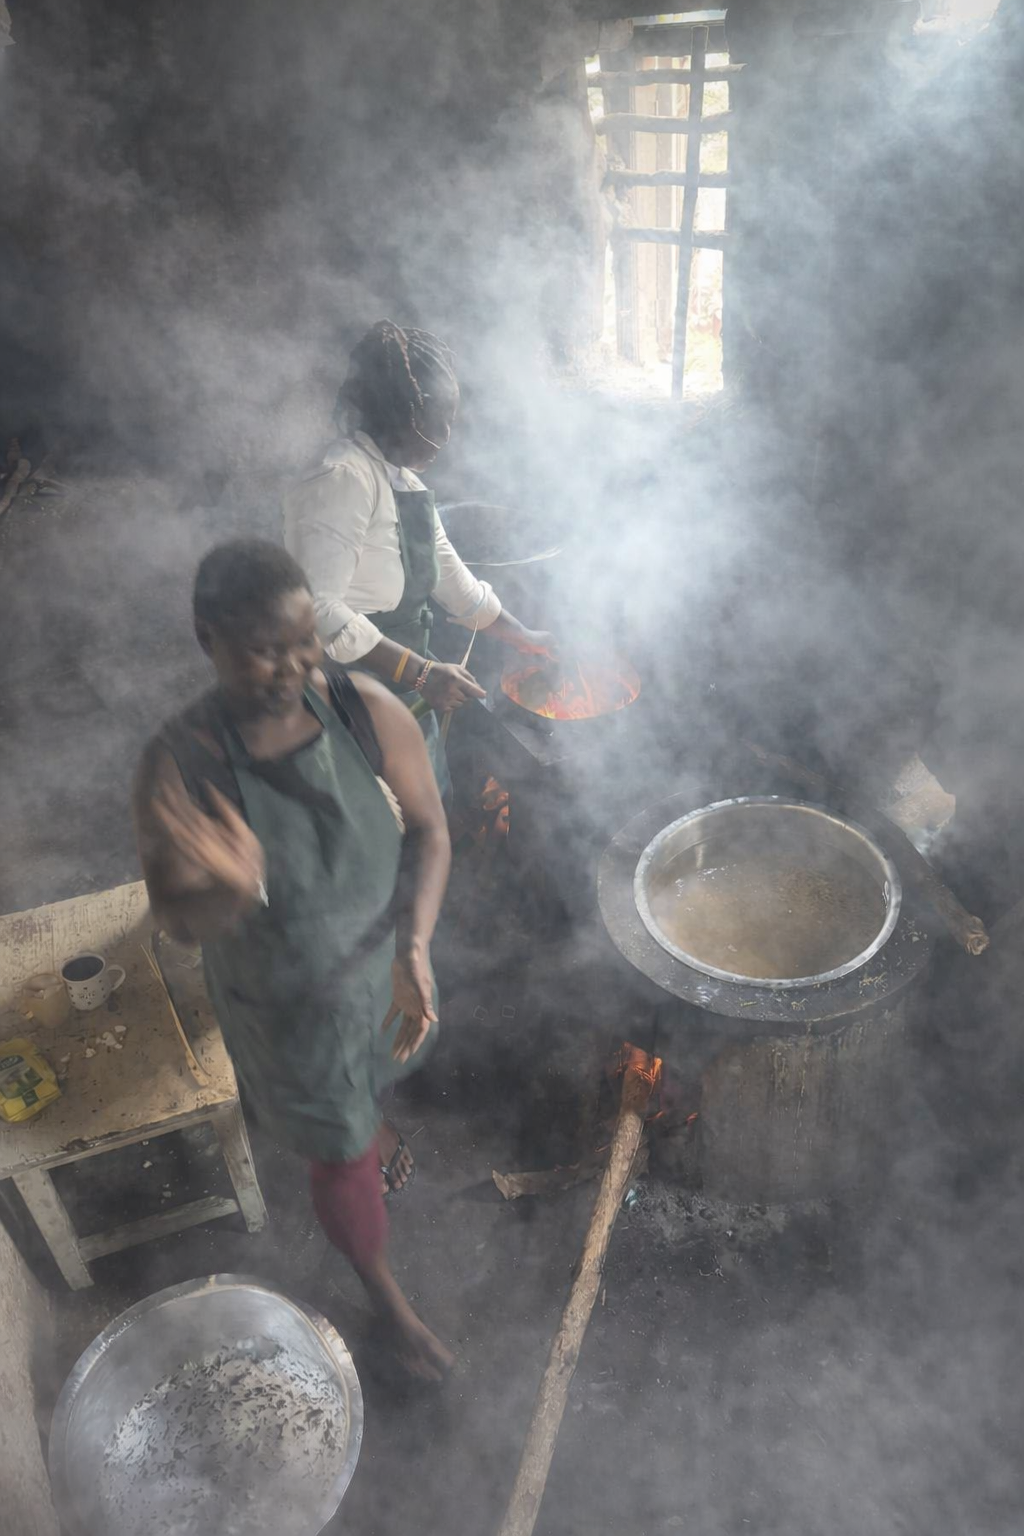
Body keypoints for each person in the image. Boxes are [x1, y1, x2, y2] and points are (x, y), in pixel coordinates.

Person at [133, 538, 454, 1380]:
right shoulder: (183, 765)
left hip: (380, 970)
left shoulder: (361, 709)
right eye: (264, 650)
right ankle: (385, 1298)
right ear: (208, 639)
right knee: (339, 1154)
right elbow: (176, 920)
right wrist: (222, 892)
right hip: (284, 1009)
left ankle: (370, 1118)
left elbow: (429, 828)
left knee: (374, 1078)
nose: (292, 666)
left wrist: (413, 946)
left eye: (305, 641)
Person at [284, 319, 554, 785]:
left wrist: (528, 637)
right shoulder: (343, 479)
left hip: (405, 698)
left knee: (424, 815)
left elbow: (461, 591)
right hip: (348, 695)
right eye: (441, 418)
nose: (448, 433)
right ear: (405, 413)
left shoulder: (406, 485)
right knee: (378, 825)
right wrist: (422, 673)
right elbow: (317, 609)